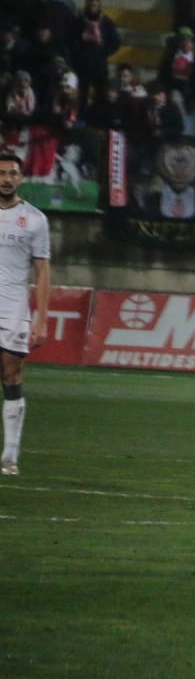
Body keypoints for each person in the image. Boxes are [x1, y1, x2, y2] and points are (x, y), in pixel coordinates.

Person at [0, 153, 51, 476]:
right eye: (2, 173)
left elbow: (43, 270)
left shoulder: (35, 219)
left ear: (21, 178)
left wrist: (42, 318)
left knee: (12, 375)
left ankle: (10, 454)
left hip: (14, 307)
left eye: (12, 173)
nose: (6, 178)